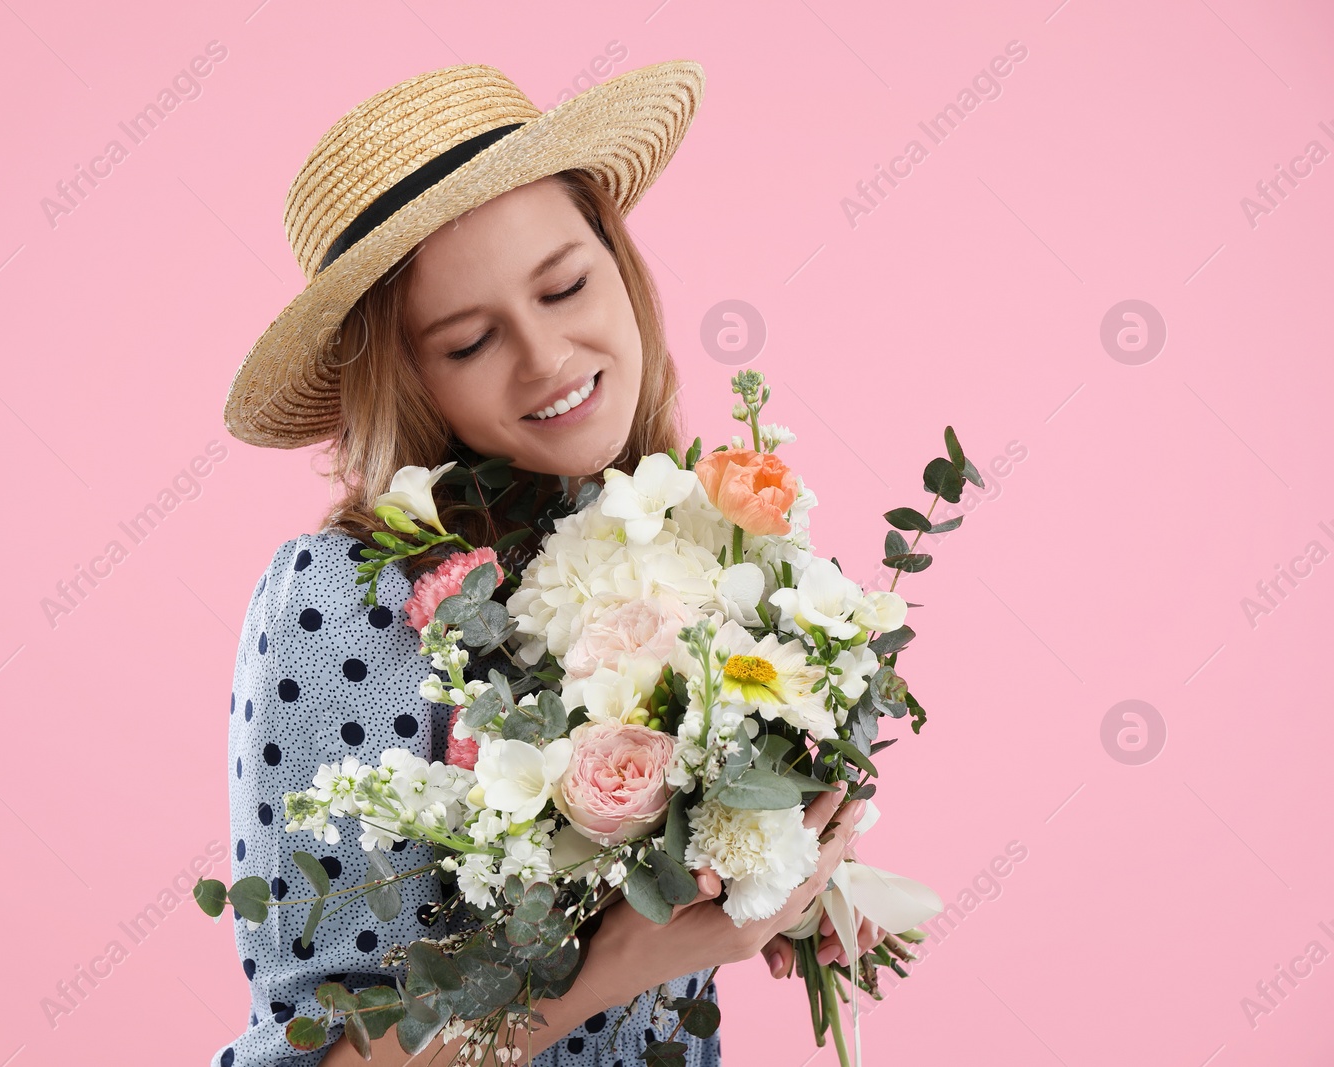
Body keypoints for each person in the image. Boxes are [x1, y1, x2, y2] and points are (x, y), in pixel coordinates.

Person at [212, 60, 878, 1067]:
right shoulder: (345, 600)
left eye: (565, 284)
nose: (547, 356)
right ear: (410, 382)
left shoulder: (696, 539)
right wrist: (606, 967)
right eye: (470, 341)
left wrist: (779, 875)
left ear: (619, 261)